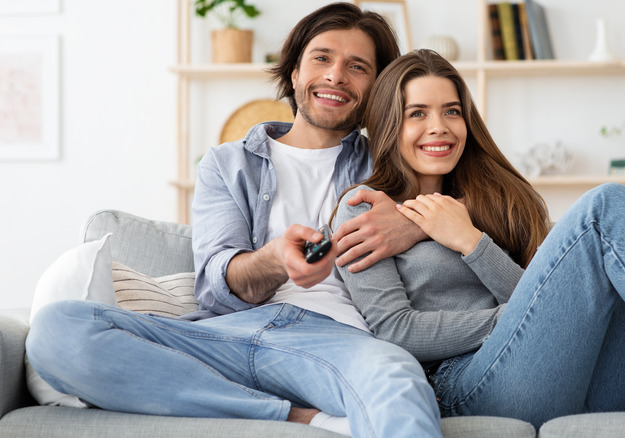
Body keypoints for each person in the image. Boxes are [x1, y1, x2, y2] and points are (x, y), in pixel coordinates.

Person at [26, 4, 443, 438]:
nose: (336, 75)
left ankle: (249, 404)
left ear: (377, 87)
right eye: (322, 58)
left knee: (398, 380)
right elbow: (216, 288)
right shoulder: (227, 164)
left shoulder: (394, 162)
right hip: (223, 337)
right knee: (59, 329)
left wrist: (414, 222)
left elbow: (498, 203)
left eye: (357, 66)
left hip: (338, 342)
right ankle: (300, 417)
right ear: (295, 71)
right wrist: (276, 258)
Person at [332, 49, 625, 430]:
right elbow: (397, 332)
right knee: (605, 205)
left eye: (452, 110)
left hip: (584, 383)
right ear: (389, 124)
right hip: (468, 389)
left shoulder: (495, 201)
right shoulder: (364, 207)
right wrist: (519, 317)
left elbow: (536, 299)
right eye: (418, 113)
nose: (440, 127)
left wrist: (472, 242)